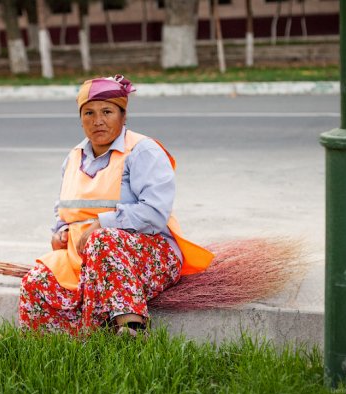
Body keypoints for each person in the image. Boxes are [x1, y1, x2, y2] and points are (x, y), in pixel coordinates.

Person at [18, 75, 214, 336]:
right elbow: (63, 211)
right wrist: (60, 234)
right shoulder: (74, 158)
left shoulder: (142, 151)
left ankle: (131, 329)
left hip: (149, 254)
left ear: (124, 116)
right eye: (88, 113)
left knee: (102, 241)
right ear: (80, 119)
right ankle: (73, 343)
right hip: (84, 256)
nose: (97, 121)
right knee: (36, 281)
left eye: (107, 112)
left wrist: (101, 224)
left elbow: (154, 214)